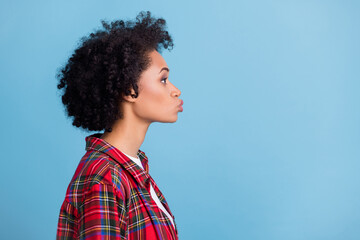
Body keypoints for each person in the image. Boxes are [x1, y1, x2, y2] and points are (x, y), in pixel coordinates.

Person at [56, 11, 182, 240]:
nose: (175, 90)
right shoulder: (104, 177)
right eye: (163, 80)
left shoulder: (133, 169)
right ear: (128, 90)